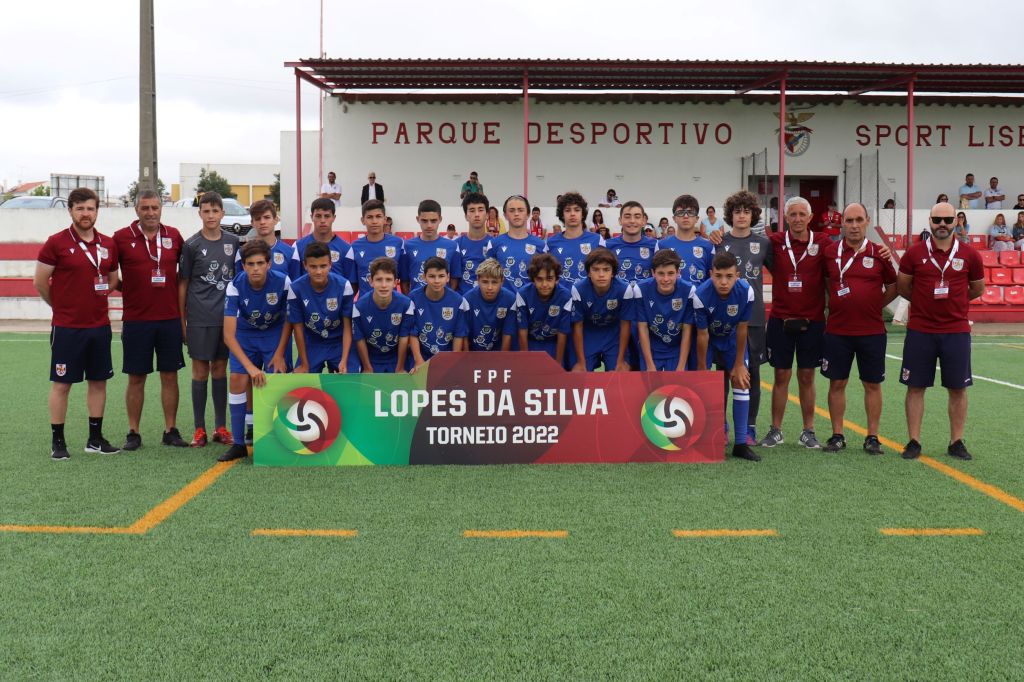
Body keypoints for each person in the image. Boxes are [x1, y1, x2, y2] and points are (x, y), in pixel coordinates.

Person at [34, 187, 120, 459]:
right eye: (80, 208)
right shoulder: (56, 242)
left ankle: (95, 439)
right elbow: (40, 282)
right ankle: (58, 442)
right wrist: (59, 306)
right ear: (70, 210)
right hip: (68, 327)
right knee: (62, 384)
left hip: (99, 326)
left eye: (90, 208)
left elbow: (113, 279)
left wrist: (99, 295)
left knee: (99, 382)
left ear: (97, 211)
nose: (85, 213)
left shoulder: (108, 244)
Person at [897, 202, 985, 460]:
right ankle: (914, 441)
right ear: (930, 222)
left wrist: (955, 303)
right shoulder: (914, 253)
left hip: (956, 331)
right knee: (915, 386)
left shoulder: (970, 254)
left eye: (948, 219)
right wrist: (924, 303)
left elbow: (977, 288)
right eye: (937, 220)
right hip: (920, 330)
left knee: (958, 388)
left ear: (956, 221)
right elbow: (903, 287)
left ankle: (956, 441)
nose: (942, 224)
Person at [112, 189, 188, 451]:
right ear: (136, 210)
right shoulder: (121, 238)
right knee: (136, 378)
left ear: (161, 208)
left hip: (169, 318)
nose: (150, 212)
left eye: (155, 207)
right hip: (136, 320)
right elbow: (109, 274)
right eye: (145, 208)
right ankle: (133, 432)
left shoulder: (174, 236)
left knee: (170, 376)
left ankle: (170, 430)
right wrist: (129, 289)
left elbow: (185, 274)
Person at [820, 203, 898, 454]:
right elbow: (827, 283)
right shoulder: (830, 253)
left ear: (867, 221)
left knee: (872, 384)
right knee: (837, 383)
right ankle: (837, 435)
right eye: (849, 220)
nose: (854, 225)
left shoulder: (879, 253)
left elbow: (894, 287)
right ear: (842, 223)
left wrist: (875, 306)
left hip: (872, 331)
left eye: (859, 220)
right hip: (838, 331)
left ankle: (872, 436)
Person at [758, 197, 832, 450]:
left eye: (802, 214)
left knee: (807, 375)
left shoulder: (823, 242)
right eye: (793, 214)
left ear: (810, 217)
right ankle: (775, 430)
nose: (798, 219)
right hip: (781, 319)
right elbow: (747, 247)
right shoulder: (775, 242)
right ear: (785, 218)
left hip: (813, 321)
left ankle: (808, 431)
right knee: (781, 375)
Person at [707, 190, 771, 444]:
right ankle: (721, 427)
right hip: (723, 319)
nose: (742, 215)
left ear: (753, 215)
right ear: (730, 215)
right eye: (737, 211)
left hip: (753, 318)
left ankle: (749, 428)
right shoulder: (718, 241)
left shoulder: (764, 243)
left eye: (746, 211)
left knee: (751, 372)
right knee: (723, 373)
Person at [219, 239, 292, 462]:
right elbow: (228, 335)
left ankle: (277, 440)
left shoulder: (283, 282)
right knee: (237, 379)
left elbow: (290, 321)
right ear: (243, 266)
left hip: (274, 336)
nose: (256, 268)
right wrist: (250, 368)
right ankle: (239, 443)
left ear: (269, 264)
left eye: (260, 263)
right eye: (250, 264)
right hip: (245, 336)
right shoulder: (235, 286)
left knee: (276, 381)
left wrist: (279, 354)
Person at [179, 191, 238, 448]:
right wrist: (182, 319)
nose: (211, 215)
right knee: (200, 370)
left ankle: (220, 427)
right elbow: (183, 284)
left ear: (222, 213)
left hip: (226, 318)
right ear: (200, 213)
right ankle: (199, 429)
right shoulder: (191, 245)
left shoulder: (233, 242)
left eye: (215, 211)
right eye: (206, 211)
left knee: (220, 369)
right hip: (199, 317)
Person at [693, 251, 758, 461]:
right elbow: (702, 335)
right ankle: (706, 439)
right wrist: (702, 368)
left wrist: (739, 363)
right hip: (709, 340)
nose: (723, 282)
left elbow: (742, 328)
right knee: (702, 385)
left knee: (741, 382)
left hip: (731, 340)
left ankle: (740, 443)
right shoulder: (700, 295)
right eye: (718, 276)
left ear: (737, 276)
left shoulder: (746, 292)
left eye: (729, 276)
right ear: (710, 274)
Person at [288, 241, 355, 374]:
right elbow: (298, 329)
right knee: (302, 379)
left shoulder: (344, 286)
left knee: (351, 375)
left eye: (323, 266)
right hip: (312, 343)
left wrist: (344, 360)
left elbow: (348, 327)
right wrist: (305, 364)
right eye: (313, 266)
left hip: (338, 342)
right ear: (305, 265)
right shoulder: (295, 289)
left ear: (330, 264)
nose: (318, 271)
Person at [569, 247, 635, 372]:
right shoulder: (578, 289)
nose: (601, 275)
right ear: (588, 272)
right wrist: (581, 362)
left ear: (613, 272)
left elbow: (625, 324)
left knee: (620, 372)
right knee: (579, 373)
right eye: (595, 269)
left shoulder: (624, 289)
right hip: (588, 333)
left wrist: (620, 360)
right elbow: (578, 325)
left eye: (606, 270)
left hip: (613, 334)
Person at [633, 249, 697, 372]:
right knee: (650, 383)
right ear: (653, 273)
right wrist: (650, 365)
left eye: (670, 273)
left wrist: (681, 365)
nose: (666, 279)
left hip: (676, 348)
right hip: (651, 347)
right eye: (661, 273)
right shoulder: (641, 289)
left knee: (677, 383)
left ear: (678, 272)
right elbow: (642, 328)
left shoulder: (688, 290)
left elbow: (687, 329)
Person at [351, 257, 414, 373]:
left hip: (397, 357)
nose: (384, 285)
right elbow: (359, 339)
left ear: (395, 282)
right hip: (371, 358)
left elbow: (404, 337)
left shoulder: (406, 304)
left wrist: (400, 368)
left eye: (388, 280)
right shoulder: (359, 307)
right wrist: (367, 368)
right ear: (371, 281)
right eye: (379, 279)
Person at [407, 256, 469, 371]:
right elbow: (412, 333)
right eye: (431, 276)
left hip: (447, 357)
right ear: (424, 277)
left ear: (448, 277)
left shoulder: (457, 300)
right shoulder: (413, 298)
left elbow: (458, 335)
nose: (436, 281)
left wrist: (453, 361)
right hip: (421, 356)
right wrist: (418, 361)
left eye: (441, 276)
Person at [516, 253, 573, 365]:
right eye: (539, 279)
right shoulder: (523, 294)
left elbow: (562, 333)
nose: (544, 284)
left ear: (557, 279)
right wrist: (525, 360)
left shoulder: (565, 297)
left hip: (553, 342)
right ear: (533, 279)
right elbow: (522, 330)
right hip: (531, 341)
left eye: (549, 279)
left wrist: (558, 363)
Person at [290, 198, 357, 286]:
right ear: (311, 217)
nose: (322, 220)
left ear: (334, 218)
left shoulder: (346, 249)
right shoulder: (298, 246)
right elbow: (295, 282)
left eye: (327, 216)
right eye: (318, 216)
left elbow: (351, 285)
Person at [487, 195, 547, 291]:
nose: (516, 214)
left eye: (520, 210)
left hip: (530, 299)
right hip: (503, 300)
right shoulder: (494, 244)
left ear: (527, 214)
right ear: (505, 215)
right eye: (512, 210)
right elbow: (489, 278)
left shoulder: (540, 245)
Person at [402, 199, 462, 293]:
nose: (429, 225)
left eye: (433, 221)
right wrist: (410, 300)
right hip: (416, 301)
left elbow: (454, 279)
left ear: (440, 219)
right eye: (424, 221)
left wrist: (446, 298)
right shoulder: (407, 246)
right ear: (418, 219)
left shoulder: (452, 246)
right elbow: (404, 281)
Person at [546, 191, 604, 287]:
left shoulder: (597, 240)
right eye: (567, 210)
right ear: (562, 214)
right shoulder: (551, 243)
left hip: (588, 295)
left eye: (577, 210)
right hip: (561, 296)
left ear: (582, 214)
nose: (572, 214)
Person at [657, 194, 714, 287]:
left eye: (690, 212)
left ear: (696, 218)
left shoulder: (708, 246)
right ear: (674, 218)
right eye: (681, 212)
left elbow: (710, 280)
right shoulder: (662, 245)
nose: (686, 216)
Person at [351, 199, 405, 295]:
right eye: (370, 217)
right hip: (365, 303)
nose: (374, 221)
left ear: (385, 219)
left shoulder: (398, 243)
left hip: (391, 302)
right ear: (363, 220)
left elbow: (404, 279)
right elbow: (353, 283)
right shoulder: (354, 247)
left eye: (378, 216)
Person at [464, 258, 517, 351]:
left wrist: (502, 358)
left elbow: (507, 334)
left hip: (499, 351)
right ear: (478, 280)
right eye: (485, 282)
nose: (489, 287)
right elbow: (463, 335)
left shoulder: (510, 299)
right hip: (473, 352)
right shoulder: (467, 300)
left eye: (494, 282)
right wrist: (467, 357)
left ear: (502, 281)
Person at [606, 201, 657, 283]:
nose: (632, 221)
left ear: (644, 221)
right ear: (620, 220)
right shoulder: (607, 246)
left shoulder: (656, 245)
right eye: (627, 217)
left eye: (637, 217)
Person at [455, 192, 493, 295]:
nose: (476, 215)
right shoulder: (456, 245)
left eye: (480, 210)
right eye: (472, 210)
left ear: (487, 215)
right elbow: (453, 280)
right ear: (466, 216)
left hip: (488, 300)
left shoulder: (495, 244)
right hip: (463, 300)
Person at [246, 200, 293, 276]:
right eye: (258, 219)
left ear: (276, 220)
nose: (262, 222)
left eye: (267, 217)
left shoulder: (290, 252)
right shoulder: (243, 253)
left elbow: (295, 282)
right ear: (252, 223)